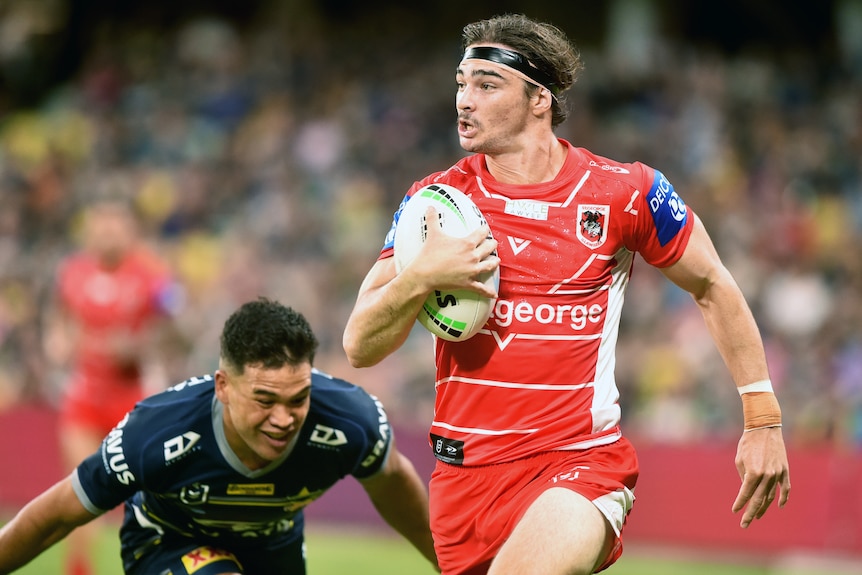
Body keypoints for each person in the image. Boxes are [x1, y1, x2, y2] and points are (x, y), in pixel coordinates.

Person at [342, 13, 790, 575]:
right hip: (462, 481)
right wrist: (418, 276)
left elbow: (711, 284)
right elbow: (360, 344)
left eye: (486, 85)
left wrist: (763, 419)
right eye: (461, 83)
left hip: (578, 463)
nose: (464, 100)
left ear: (539, 99)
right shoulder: (434, 205)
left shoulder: (626, 193)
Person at [2, 297, 438, 574]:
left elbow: (398, 489)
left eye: (298, 399)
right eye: (265, 401)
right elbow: (55, 515)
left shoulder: (349, 421)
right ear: (223, 386)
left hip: (273, 545)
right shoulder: (155, 432)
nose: (284, 419)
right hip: (168, 540)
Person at [42, 196, 185, 575]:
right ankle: (78, 570)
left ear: (130, 230)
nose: (107, 232)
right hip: (84, 397)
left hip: (135, 398)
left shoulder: (153, 276)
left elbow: (176, 328)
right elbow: (59, 318)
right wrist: (56, 341)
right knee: (80, 491)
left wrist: (139, 345)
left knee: (147, 495)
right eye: (100, 225)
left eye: (115, 225)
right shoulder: (72, 272)